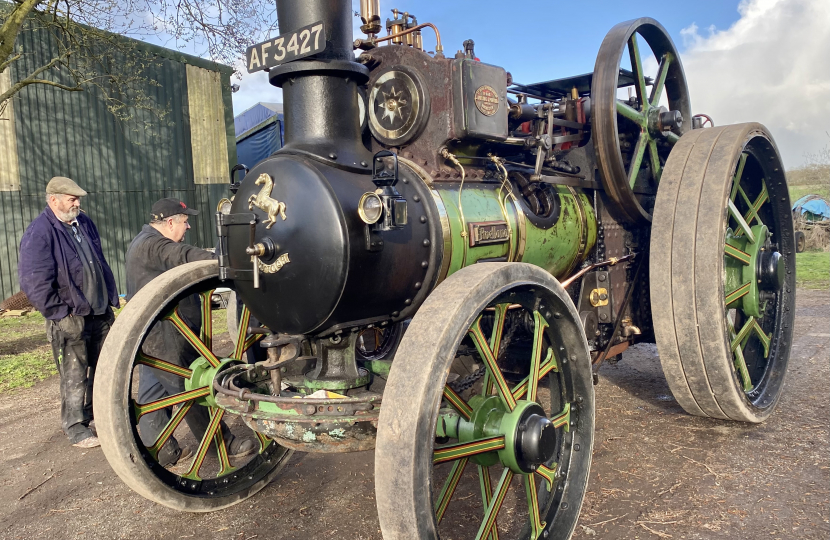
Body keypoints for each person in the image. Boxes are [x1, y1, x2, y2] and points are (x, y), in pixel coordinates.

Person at [126, 197, 256, 467]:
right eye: (185, 222)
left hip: (149, 332)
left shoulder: (141, 241)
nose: (187, 228)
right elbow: (183, 256)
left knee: (154, 391)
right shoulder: (154, 245)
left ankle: (163, 450)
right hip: (168, 333)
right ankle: (223, 444)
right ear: (170, 221)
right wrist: (221, 261)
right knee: (193, 389)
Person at [18, 177, 119, 448]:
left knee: (104, 370)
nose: (77, 203)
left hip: (98, 312)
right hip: (70, 317)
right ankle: (76, 427)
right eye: (72, 199)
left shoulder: (83, 223)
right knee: (74, 373)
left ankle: (98, 416)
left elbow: (98, 261)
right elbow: (34, 281)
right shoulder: (40, 232)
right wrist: (60, 315)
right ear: (53, 200)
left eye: (78, 199)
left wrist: (108, 300)